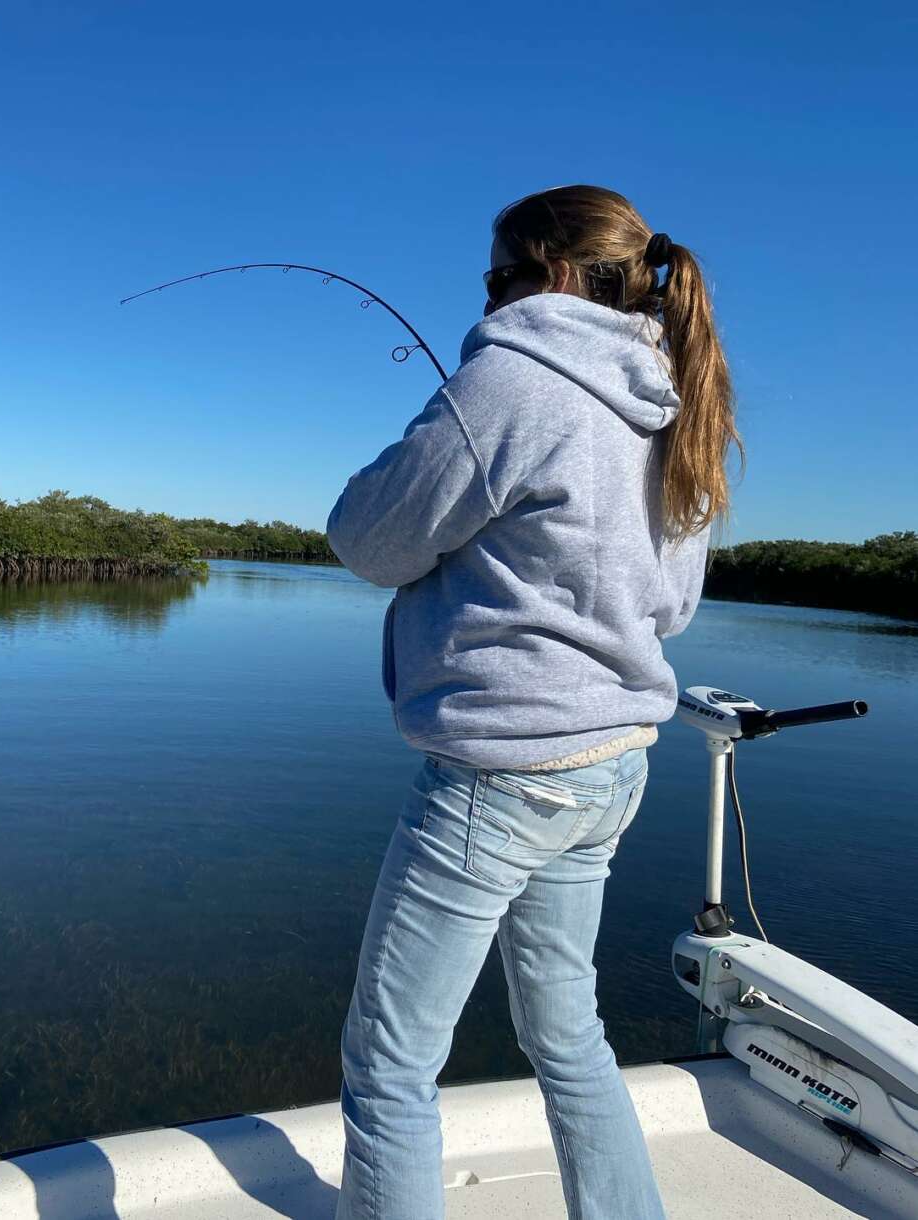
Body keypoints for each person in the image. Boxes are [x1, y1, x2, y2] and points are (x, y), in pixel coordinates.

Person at [325, 184, 742, 1219]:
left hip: (495, 781)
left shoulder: (509, 378)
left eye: (494, 280)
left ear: (550, 274)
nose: (486, 301)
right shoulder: (673, 396)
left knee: (389, 1064)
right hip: (608, 771)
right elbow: (673, 605)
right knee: (565, 1032)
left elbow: (364, 539)